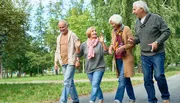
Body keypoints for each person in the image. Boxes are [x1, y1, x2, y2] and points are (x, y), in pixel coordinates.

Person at [131, 1, 171, 103]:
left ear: (142, 9)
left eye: (134, 9)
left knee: (159, 76)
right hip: (144, 55)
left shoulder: (156, 18)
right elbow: (138, 37)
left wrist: (157, 42)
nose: (133, 12)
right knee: (147, 80)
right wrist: (133, 40)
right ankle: (152, 100)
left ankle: (165, 97)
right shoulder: (137, 22)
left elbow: (166, 31)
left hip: (157, 54)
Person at [75, 27, 108, 103]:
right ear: (89, 33)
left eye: (95, 31)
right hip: (89, 68)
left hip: (99, 67)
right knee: (95, 85)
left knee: (95, 84)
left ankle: (92, 101)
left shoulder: (100, 43)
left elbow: (106, 52)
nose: (95, 32)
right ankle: (101, 98)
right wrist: (77, 47)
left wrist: (103, 42)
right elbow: (78, 54)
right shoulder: (84, 44)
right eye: (92, 31)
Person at [108, 14, 136, 103]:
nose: (112, 25)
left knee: (122, 79)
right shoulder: (113, 31)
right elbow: (113, 43)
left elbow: (132, 44)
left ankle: (118, 99)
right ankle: (132, 98)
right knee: (126, 78)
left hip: (126, 58)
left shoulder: (126, 29)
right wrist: (110, 47)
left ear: (117, 22)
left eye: (112, 23)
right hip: (118, 58)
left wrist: (123, 47)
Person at [54, 20, 79, 103]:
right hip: (63, 62)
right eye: (60, 27)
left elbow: (78, 48)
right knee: (70, 82)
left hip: (71, 61)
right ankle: (75, 100)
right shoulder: (58, 37)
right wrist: (56, 62)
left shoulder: (72, 35)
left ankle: (62, 101)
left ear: (67, 26)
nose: (61, 29)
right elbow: (57, 50)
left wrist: (77, 60)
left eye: (63, 27)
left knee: (66, 81)